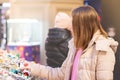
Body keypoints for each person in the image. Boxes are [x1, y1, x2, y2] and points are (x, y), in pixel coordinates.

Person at [18, 5, 119, 80]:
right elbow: (60, 74)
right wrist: (31, 67)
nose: (71, 29)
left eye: (73, 25)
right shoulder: (75, 47)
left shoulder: (103, 50)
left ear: (82, 27)